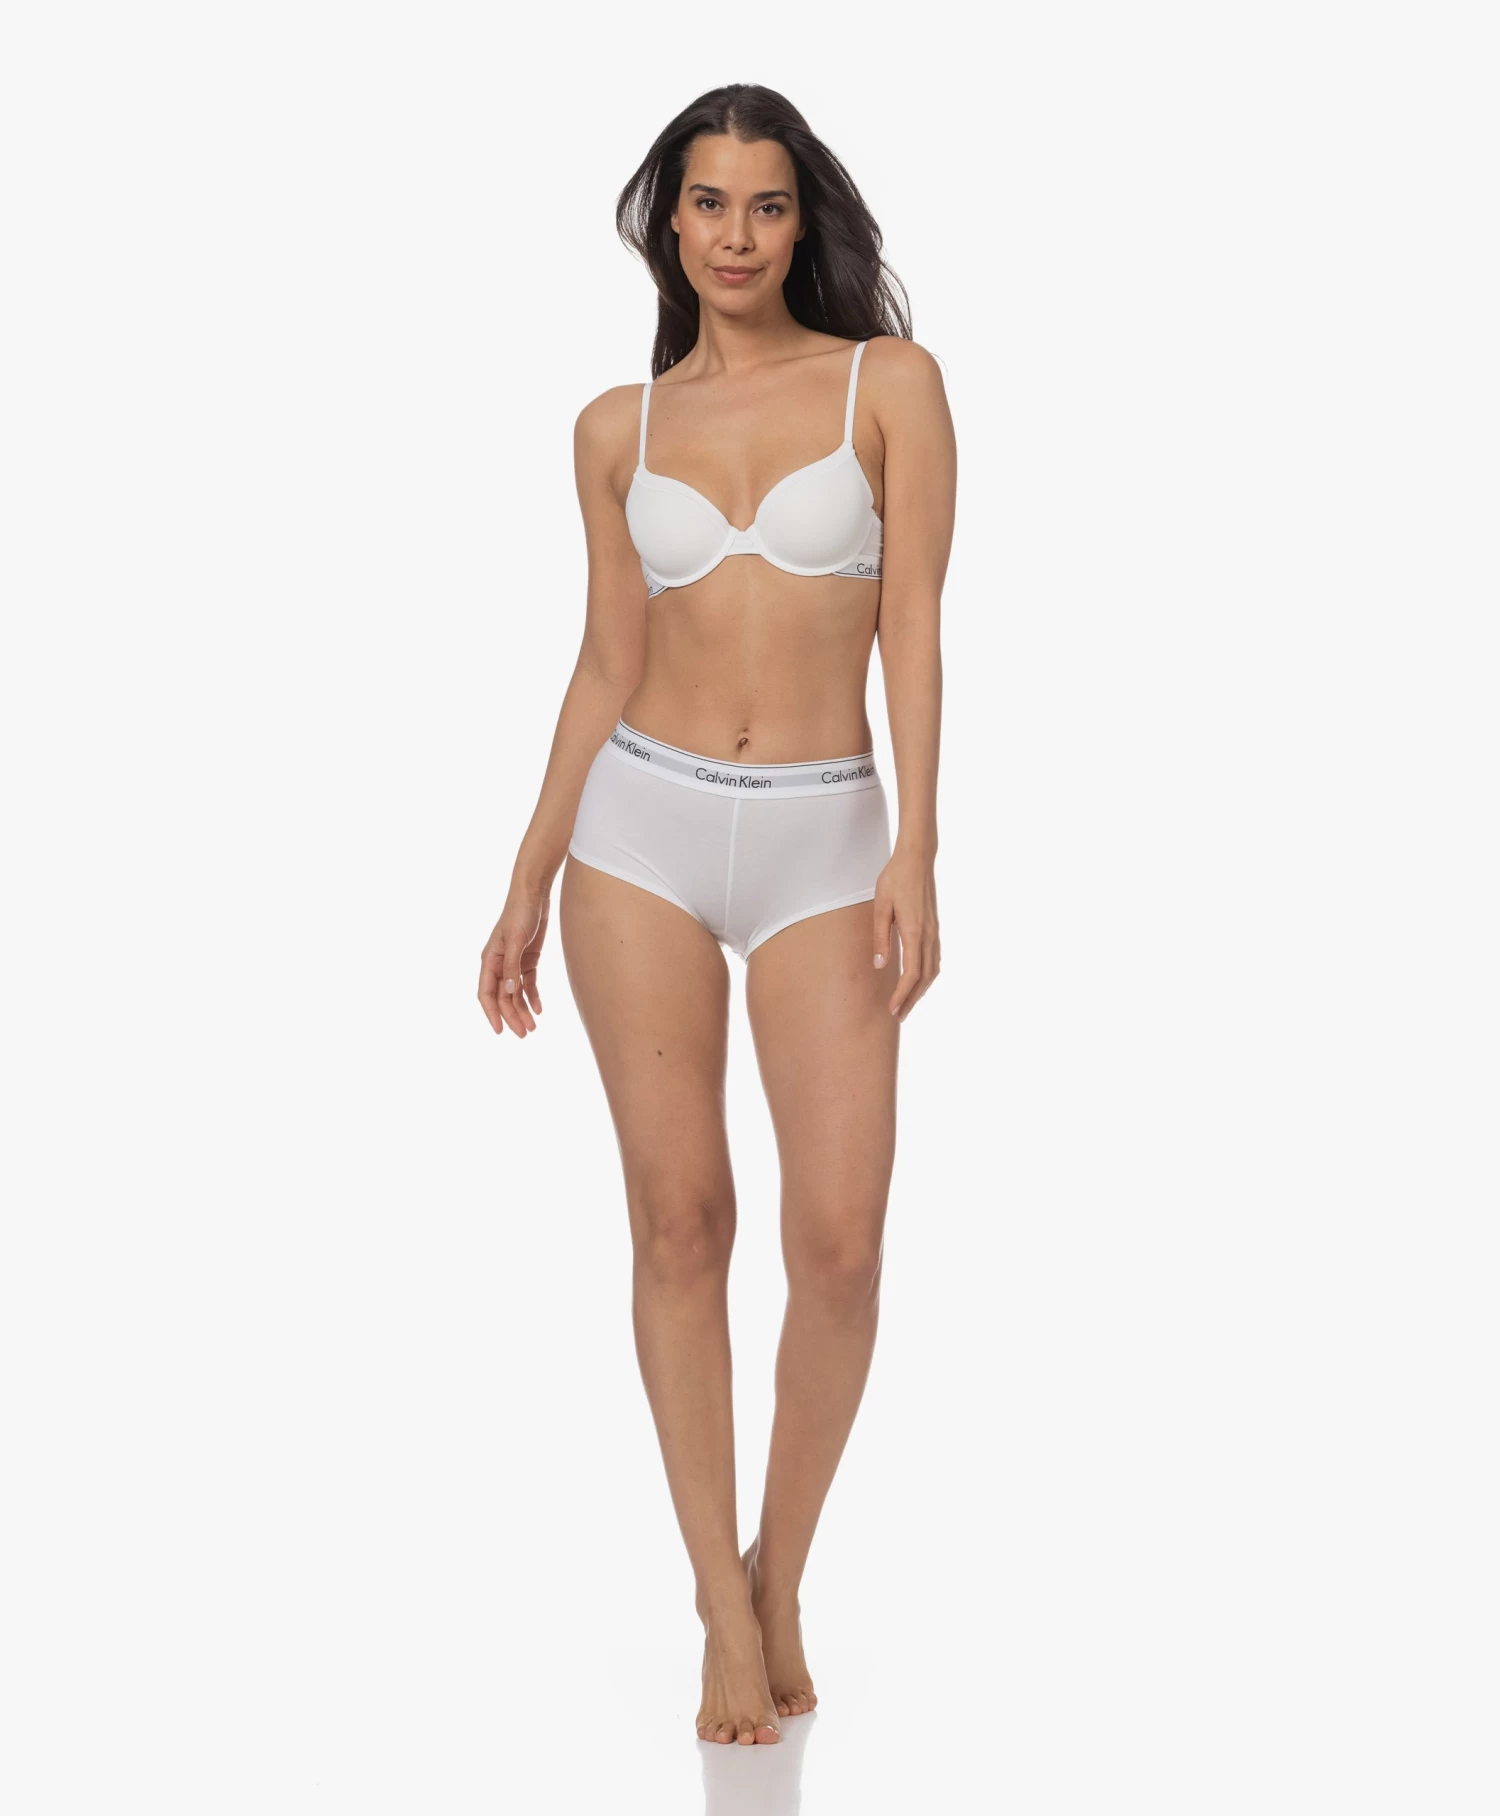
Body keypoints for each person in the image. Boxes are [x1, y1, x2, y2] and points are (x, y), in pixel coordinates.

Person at [477, 83, 955, 1747]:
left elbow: (914, 627)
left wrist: (919, 847)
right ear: (665, 221)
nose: (735, 236)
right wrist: (528, 870)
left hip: (828, 833)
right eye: (706, 203)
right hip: (641, 834)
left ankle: (780, 1572)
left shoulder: (889, 387)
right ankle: (715, 1604)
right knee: (683, 1224)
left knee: (842, 1246)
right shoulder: (617, 428)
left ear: (801, 220)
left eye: (765, 205)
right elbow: (605, 659)